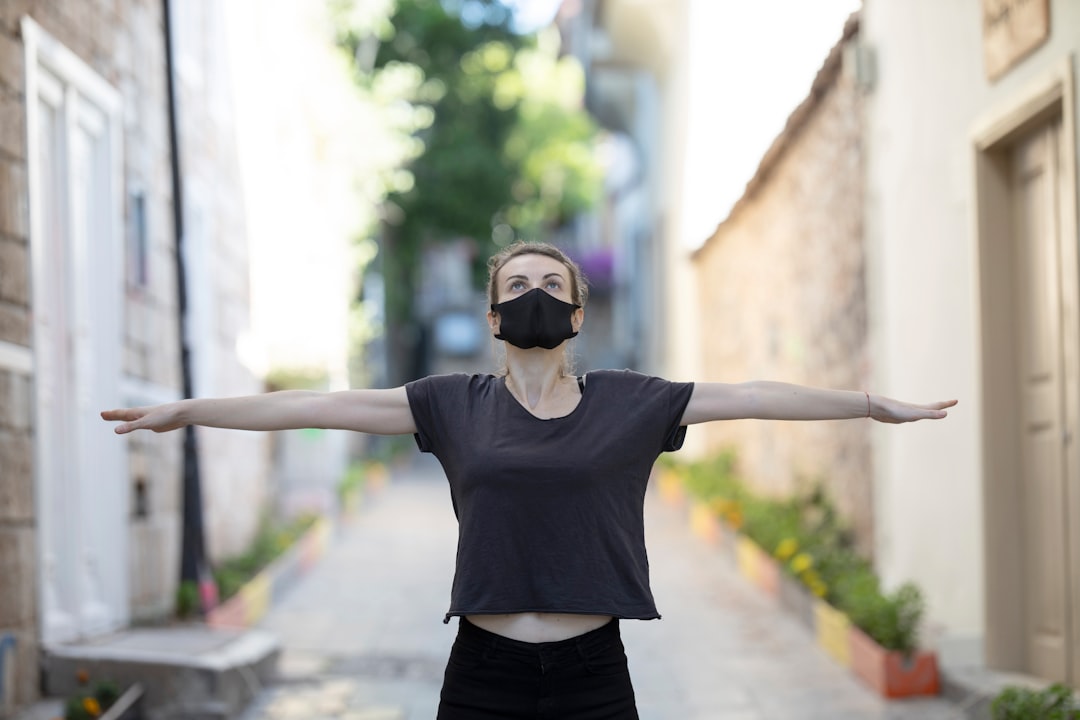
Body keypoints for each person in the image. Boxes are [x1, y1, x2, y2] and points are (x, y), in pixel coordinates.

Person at [102, 241, 955, 719]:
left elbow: (756, 394)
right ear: (494, 315)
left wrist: (875, 404)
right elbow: (321, 404)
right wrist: (190, 411)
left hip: (594, 677)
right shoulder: (451, 405)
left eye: (553, 285)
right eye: (519, 286)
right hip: (483, 678)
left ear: (579, 313)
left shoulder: (632, 404)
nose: (536, 296)